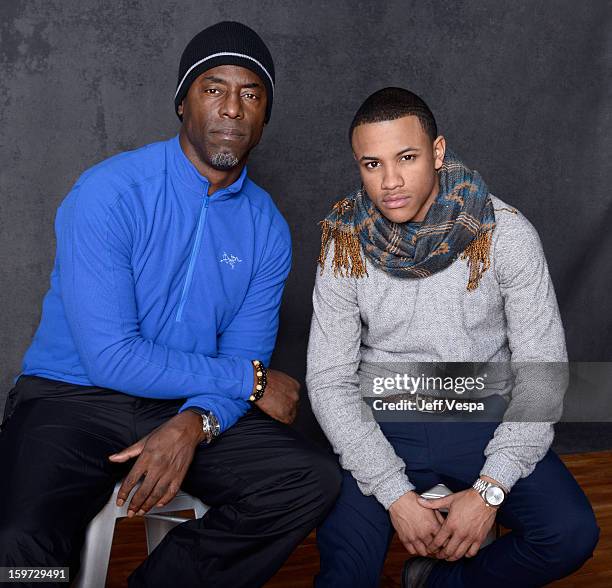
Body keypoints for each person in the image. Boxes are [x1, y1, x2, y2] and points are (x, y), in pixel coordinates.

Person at [0, 21, 340, 588]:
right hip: (71, 396)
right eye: (214, 89)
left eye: (250, 95)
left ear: (264, 117)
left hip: (183, 403)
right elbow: (111, 356)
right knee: (19, 548)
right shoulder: (108, 193)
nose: (232, 107)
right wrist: (251, 383)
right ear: (183, 102)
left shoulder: (267, 230)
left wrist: (194, 423)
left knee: (309, 479)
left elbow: (245, 350)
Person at [306, 87, 599, 587]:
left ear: (437, 153)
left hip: (481, 417)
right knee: (344, 575)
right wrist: (393, 492)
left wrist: (490, 489)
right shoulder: (344, 243)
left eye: (407, 158)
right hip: (383, 420)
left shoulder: (504, 234)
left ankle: (440, 584)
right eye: (371, 165)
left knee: (570, 534)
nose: (390, 182)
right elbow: (329, 380)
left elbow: (541, 378)